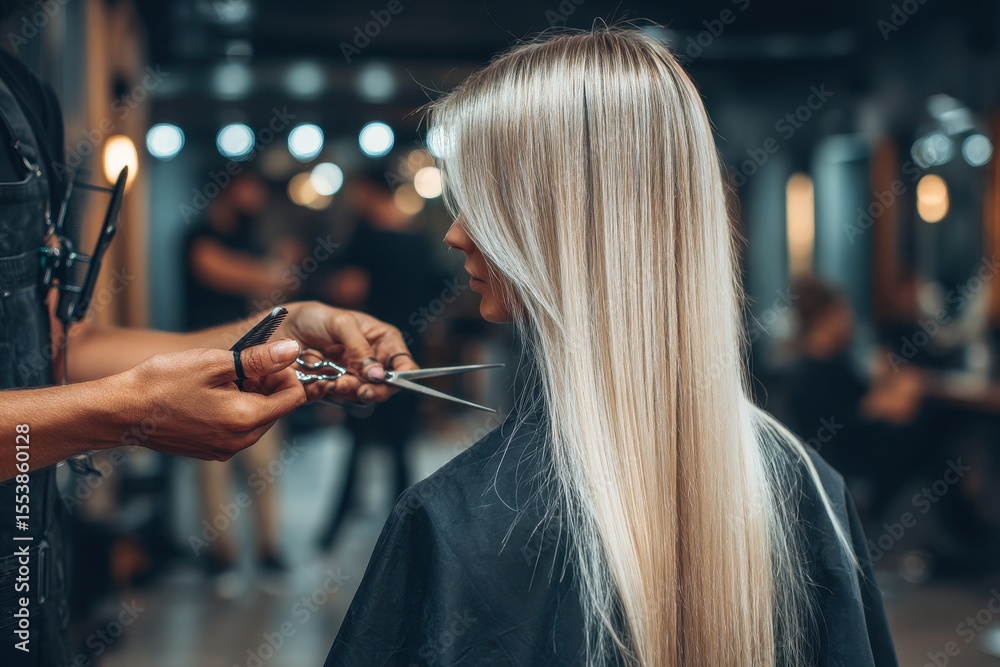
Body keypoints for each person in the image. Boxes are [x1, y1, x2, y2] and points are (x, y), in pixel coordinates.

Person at [325, 29, 897, 666]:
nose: (457, 233)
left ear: (561, 226)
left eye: (486, 204)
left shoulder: (454, 523)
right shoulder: (811, 490)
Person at [0, 28, 416, 667]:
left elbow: (60, 348)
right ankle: (228, 557)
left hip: (30, 587)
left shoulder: (24, 99)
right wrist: (124, 413)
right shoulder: (203, 235)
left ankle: (266, 549)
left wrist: (288, 324)